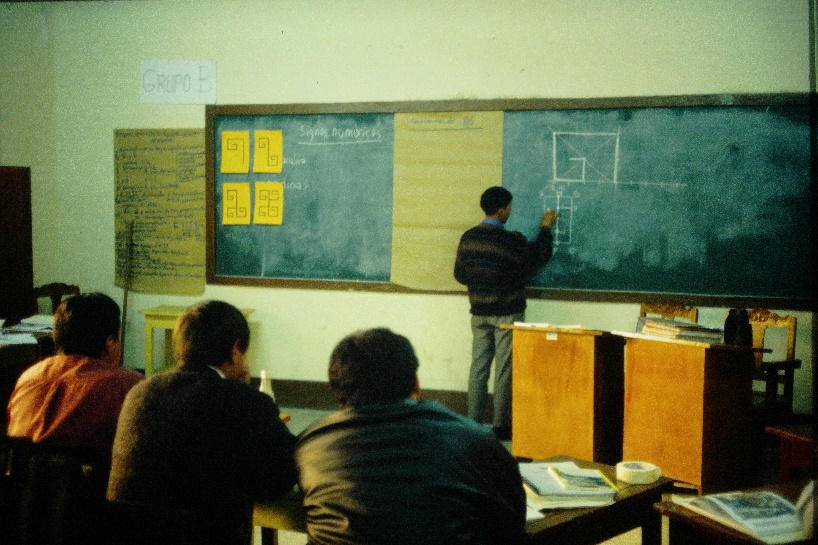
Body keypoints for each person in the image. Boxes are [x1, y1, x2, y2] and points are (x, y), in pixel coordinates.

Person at [295, 328, 526, 545]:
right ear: (415, 383)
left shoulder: (309, 446)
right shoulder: (476, 442)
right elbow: (512, 523)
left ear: (338, 393)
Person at [107, 300, 297, 545]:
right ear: (236, 350)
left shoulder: (140, 392)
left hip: (127, 535)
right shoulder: (244, 400)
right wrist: (246, 396)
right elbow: (279, 480)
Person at [454, 186, 558, 440]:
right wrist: (545, 229)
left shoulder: (468, 237)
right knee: (504, 369)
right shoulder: (511, 241)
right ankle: (501, 426)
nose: (510, 211)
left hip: (478, 312)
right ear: (501, 211)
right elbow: (538, 257)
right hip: (506, 313)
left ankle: (473, 424)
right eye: (509, 207)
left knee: (478, 367)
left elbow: (459, 274)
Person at [6, 292, 143, 453]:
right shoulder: (128, 385)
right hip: (93, 477)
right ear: (110, 343)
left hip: (23, 476)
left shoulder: (28, 377)